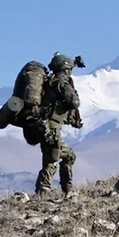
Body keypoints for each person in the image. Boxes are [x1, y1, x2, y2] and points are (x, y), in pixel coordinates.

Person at [34, 52, 81, 197]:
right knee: (52, 158)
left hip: (45, 125)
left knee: (63, 156)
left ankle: (65, 189)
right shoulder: (60, 83)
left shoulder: (51, 81)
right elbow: (74, 101)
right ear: (65, 69)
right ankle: (44, 191)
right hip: (51, 126)